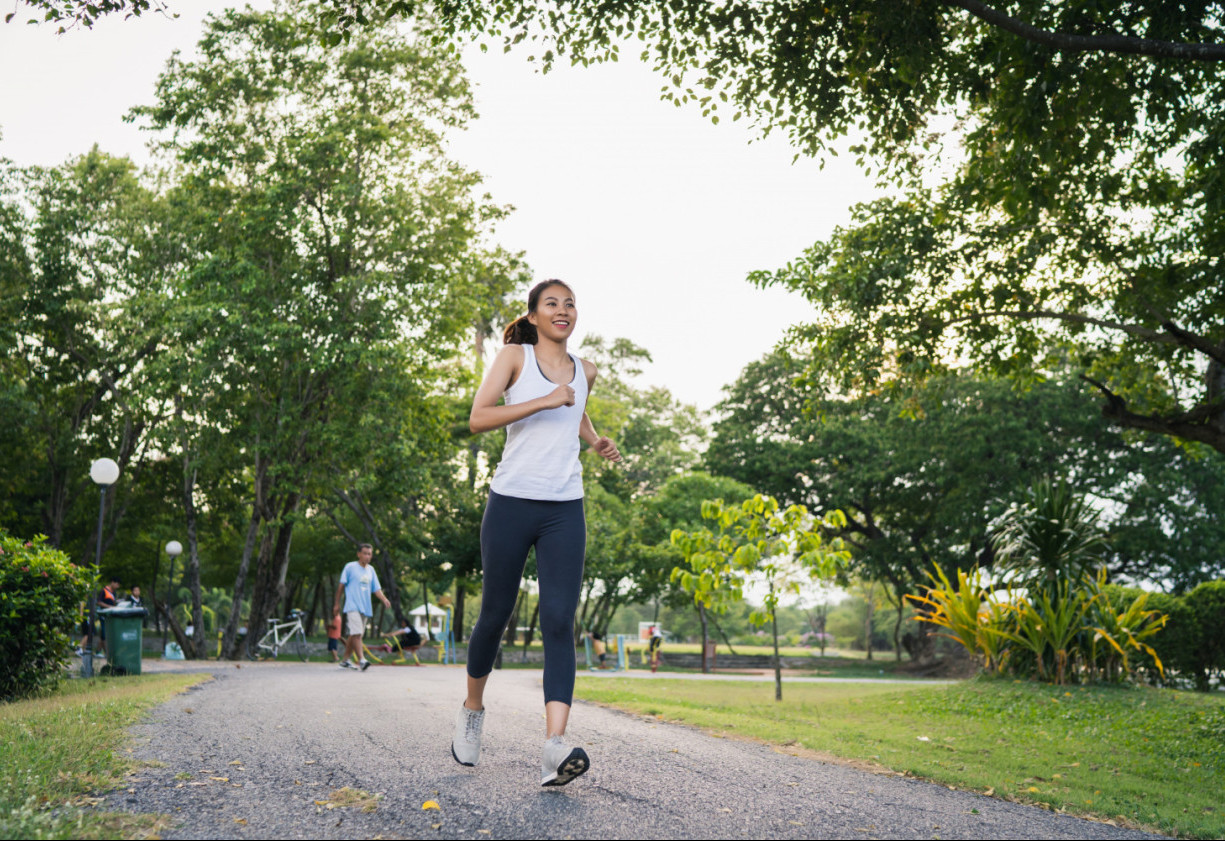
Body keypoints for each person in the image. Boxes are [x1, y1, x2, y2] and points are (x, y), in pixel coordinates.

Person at [453, 279, 622, 787]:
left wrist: (594, 439)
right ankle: (472, 709)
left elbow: (577, 405)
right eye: (553, 303)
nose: (564, 310)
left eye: (570, 303)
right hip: (511, 502)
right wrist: (543, 402)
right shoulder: (513, 357)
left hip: (564, 508)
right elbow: (479, 418)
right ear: (533, 315)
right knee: (494, 615)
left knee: (557, 620)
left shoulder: (586, 370)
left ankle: (554, 748)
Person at [332, 544, 392, 671]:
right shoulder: (350, 567)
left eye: (369, 554)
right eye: (365, 553)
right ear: (358, 554)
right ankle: (362, 660)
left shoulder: (371, 570)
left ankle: (345, 661)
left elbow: (376, 589)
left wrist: (384, 599)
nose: (367, 556)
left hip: (365, 607)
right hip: (352, 605)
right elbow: (341, 586)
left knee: (354, 635)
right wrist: (336, 604)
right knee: (357, 633)